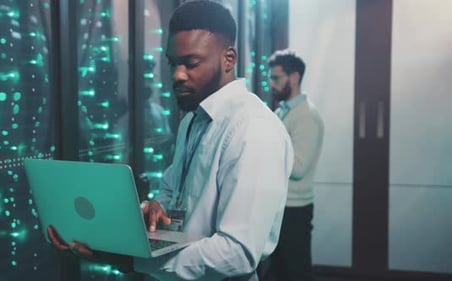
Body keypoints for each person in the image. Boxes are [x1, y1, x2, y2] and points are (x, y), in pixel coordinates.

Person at [47, 1, 293, 280]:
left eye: (191, 63)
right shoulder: (192, 120)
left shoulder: (254, 129)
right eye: (173, 63)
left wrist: (133, 261)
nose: (177, 75)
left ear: (229, 58)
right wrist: (153, 211)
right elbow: (172, 196)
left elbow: (237, 253)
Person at [261, 49, 324, 281]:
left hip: (295, 209)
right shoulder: (283, 110)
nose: (271, 84)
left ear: (294, 77)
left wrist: (263, 154)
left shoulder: (305, 115)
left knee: (296, 272)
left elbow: (298, 168)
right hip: (283, 206)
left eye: (276, 78)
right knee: (279, 271)